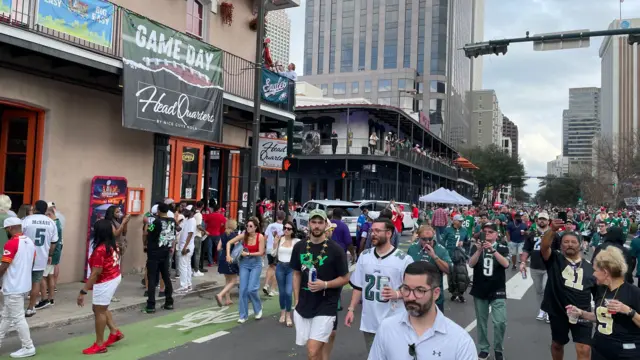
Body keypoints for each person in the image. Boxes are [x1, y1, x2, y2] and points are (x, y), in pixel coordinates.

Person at [368, 262, 477, 360]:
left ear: (436, 293)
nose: (410, 297)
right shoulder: (387, 328)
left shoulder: (460, 341)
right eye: (406, 289)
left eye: (420, 290)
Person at [345, 218, 413, 353]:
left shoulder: (404, 259)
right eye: (372, 230)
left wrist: (397, 294)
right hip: (370, 322)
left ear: (389, 233)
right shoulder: (365, 256)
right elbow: (358, 286)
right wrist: (351, 309)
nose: (373, 234)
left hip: (395, 321)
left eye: (377, 231)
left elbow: (413, 288)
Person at [291, 209, 349, 360]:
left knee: (312, 349)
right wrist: (296, 299)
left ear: (325, 225)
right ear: (309, 224)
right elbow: (296, 273)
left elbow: (345, 278)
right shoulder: (299, 247)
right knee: (313, 354)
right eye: (314, 222)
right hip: (305, 303)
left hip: (326, 304)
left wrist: (325, 284)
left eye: (320, 222)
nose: (317, 226)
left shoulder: (336, 250)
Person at [568, 246, 640, 360]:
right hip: (600, 350)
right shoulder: (602, 289)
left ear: (605, 272)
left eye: (595, 270)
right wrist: (581, 313)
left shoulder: (634, 292)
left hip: (625, 354)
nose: (593, 274)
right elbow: (603, 317)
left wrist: (628, 311)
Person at [540, 219, 595, 360]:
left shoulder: (590, 267)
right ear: (561, 245)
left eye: (573, 242)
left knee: (584, 348)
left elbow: (598, 293)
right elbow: (544, 247)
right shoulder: (555, 259)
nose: (569, 244)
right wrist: (552, 230)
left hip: (582, 312)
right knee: (557, 344)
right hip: (558, 311)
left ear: (580, 245)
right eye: (566, 241)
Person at [78, 219, 124, 354]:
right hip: (114, 276)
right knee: (101, 308)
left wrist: (83, 291)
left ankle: (99, 344)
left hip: (106, 280)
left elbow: (95, 273)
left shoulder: (100, 249)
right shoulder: (112, 244)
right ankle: (114, 331)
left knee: (99, 311)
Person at [468, 222, 510, 360]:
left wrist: (493, 250)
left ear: (496, 234)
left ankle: (498, 348)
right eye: (485, 231)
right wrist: (479, 250)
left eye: (491, 231)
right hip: (480, 288)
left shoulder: (502, 247)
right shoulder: (476, 247)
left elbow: (506, 264)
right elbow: (471, 264)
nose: (487, 234)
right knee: (481, 322)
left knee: (500, 322)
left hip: (497, 288)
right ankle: (484, 348)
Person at [0, 217, 37, 358]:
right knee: (7, 316)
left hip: (13, 286)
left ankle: (28, 346)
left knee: (17, 318)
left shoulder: (11, 244)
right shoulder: (29, 242)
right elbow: (30, 262)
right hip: (23, 285)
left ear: (9, 228)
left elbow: (4, 266)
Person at [225, 218, 265, 323]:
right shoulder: (244, 235)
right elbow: (229, 243)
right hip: (244, 264)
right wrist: (228, 255)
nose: (248, 228)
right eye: (247, 226)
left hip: (256, 264)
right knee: (242, 289)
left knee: (252, 289)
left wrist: (248, 254)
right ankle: (243, 315)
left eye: (250, 226)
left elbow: (261, 252)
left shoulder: (260, 237)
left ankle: (258, 308)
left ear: (256, 227)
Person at [23, 200, 58, 317]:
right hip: (41, 256)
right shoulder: (51, 222)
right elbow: (54, 242)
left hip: (26, 256)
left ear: (35, 208)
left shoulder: (27, 219)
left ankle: (17, 307)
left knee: (23, 280)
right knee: (36, 281)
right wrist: (50, 255)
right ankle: (30, 307)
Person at [406, 225, 452, 310]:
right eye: (424, 239)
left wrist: (434, 256)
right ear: (419, 237)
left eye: (430, 239)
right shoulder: (412, 249)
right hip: (415, 296)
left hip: (434, 298)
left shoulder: (441, 250)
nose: (427, 242)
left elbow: (449, 270)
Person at [142, 203, 175, 313]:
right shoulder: (172, 221)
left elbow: (148, 232)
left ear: (159, 210)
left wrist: (147, 224)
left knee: (152, 277)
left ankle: (151, 305)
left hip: (154, 252)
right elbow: (174, 234)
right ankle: (169, 302)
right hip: (166, 251)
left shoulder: (156, 221)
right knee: (166, 276)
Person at [521, 211, 552, 322]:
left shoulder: (553, 234)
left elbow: (559, 250)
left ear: (548, 221)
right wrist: (523, 262)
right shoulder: (532, 233)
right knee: (539, 290)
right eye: (540, 219)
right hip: (535, 266)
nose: (542, 221)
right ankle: (542, 309)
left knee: (546, 288)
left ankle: (548, 310)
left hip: (549, 267)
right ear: (537, 220)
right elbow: (526, 249)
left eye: (544, 219)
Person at [274, 221, 300, 327]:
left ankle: (288, 315)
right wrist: (275, 243)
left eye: (289, 229)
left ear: (293, 230)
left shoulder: (296, 241)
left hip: (291, 268)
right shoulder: (280, 239)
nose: (286, 230)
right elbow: (273, 253)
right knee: (282, 292)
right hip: (280, 266)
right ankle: (282, 312)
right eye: (285, 228)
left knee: (289, 292)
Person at [215, 219, 239, 307]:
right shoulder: (234, 235)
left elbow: (218, 248)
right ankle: (220, 295)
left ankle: (228, 299)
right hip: (231, 258)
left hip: (222, 258)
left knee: (227, 280)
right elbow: (237, 246)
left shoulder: (223, 235)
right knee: (233, 280)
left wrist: (224, 249)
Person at [264, 210, 285, 297]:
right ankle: (273, 290)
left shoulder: (270, 225)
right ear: (283, 218)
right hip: (276, 250)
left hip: (269, 249)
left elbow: (265, 237)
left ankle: (266, 285)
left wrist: (263, 248)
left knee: (271, 266)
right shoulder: (284, 228)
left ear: (276, 217)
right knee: (278, 270)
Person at [175, 208, 196, 293]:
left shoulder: (192, 220)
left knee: (183, 266)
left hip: (186, 246)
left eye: (186, 211)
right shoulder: (186, 220)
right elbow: (178, 229)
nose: (184, 213)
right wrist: (176, 220)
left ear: (191, 212)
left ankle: (184, 286)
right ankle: (188, 284)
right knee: (187, 266)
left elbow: (190, 234)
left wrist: (184, 247)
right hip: (185, 245)